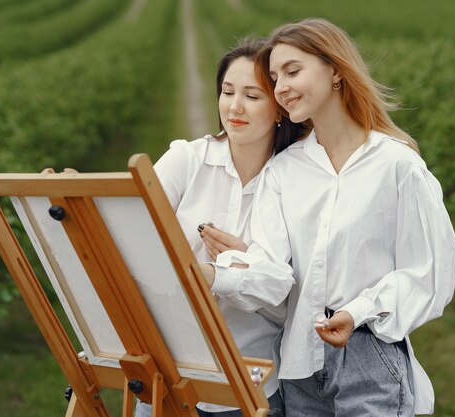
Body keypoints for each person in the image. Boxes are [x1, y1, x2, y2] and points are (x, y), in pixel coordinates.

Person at [204, 18, 455, 416]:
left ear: (336, 70)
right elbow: (272, 270)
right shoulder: (283, 171)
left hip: (368, 354)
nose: (281, 87)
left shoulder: (396, 164)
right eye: (275, 78)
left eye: (293, 71)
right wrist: (219, 274)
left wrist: (356, 311)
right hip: (300, 367)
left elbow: (429, 273)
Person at [135, 38, 307, 417]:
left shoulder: (293, 181)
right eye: (227, 92)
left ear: (279, 109)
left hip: (249, 381)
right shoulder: (187, 160)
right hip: (169, 375)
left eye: (252, 95)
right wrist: (248, 269)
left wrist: (226, 268)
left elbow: (287, 301)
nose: (235, 106)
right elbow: (135, 243)